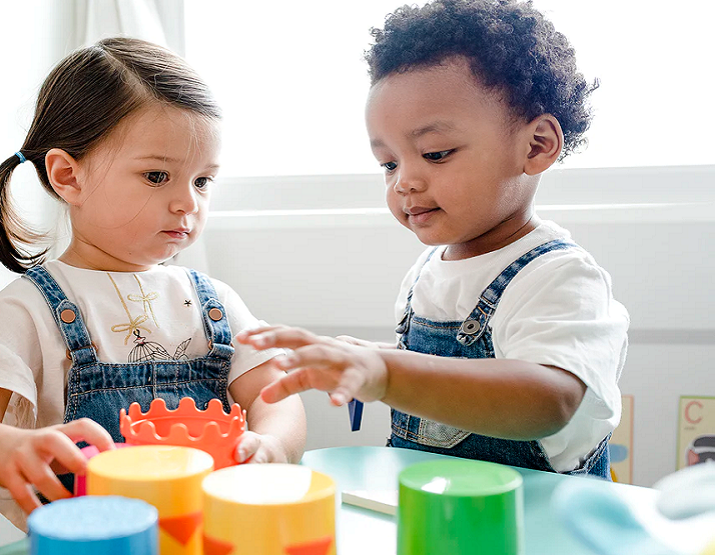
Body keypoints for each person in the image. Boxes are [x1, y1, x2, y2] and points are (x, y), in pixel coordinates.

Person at [0, 37, 306, 529]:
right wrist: (6, 445)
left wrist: (273, 446)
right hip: (87, 538)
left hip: (207, 533)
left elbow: (274, 394)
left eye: (202, 181)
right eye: (157, 176)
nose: (188, 203)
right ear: (69, 177)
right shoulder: (31, 306)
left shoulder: (213, 302)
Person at [238, 0, 627, 479]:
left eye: (435, 153)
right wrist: (374, 360)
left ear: (536, 145)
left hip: (541, 521)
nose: (404, 181)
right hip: (441, 511)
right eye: (388, 163)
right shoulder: (427, 270)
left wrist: (389, 372)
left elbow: (548, 399)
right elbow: (445, 372)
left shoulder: (559, 277)